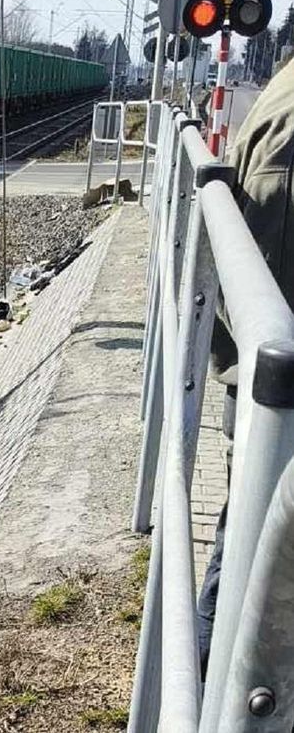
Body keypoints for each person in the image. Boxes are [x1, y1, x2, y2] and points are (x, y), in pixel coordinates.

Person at [198, 58, 294, 675]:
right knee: (252, 561)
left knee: (243, 549)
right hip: (276, 394)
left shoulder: (284, 89)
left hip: (261, 384)